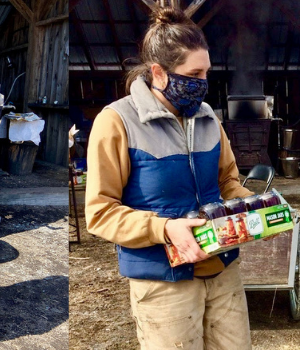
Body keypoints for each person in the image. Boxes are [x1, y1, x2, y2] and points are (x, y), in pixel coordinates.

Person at [84, 7, 254, 350]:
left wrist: (252, 207)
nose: (203, 83)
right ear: (159, 73)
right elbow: (99, 212)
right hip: (163, 282)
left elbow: (227, 183)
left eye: (206, 72)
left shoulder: (208, 118)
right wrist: (164, 228)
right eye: (194, 73)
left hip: (222, 269)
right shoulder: (117, 122)